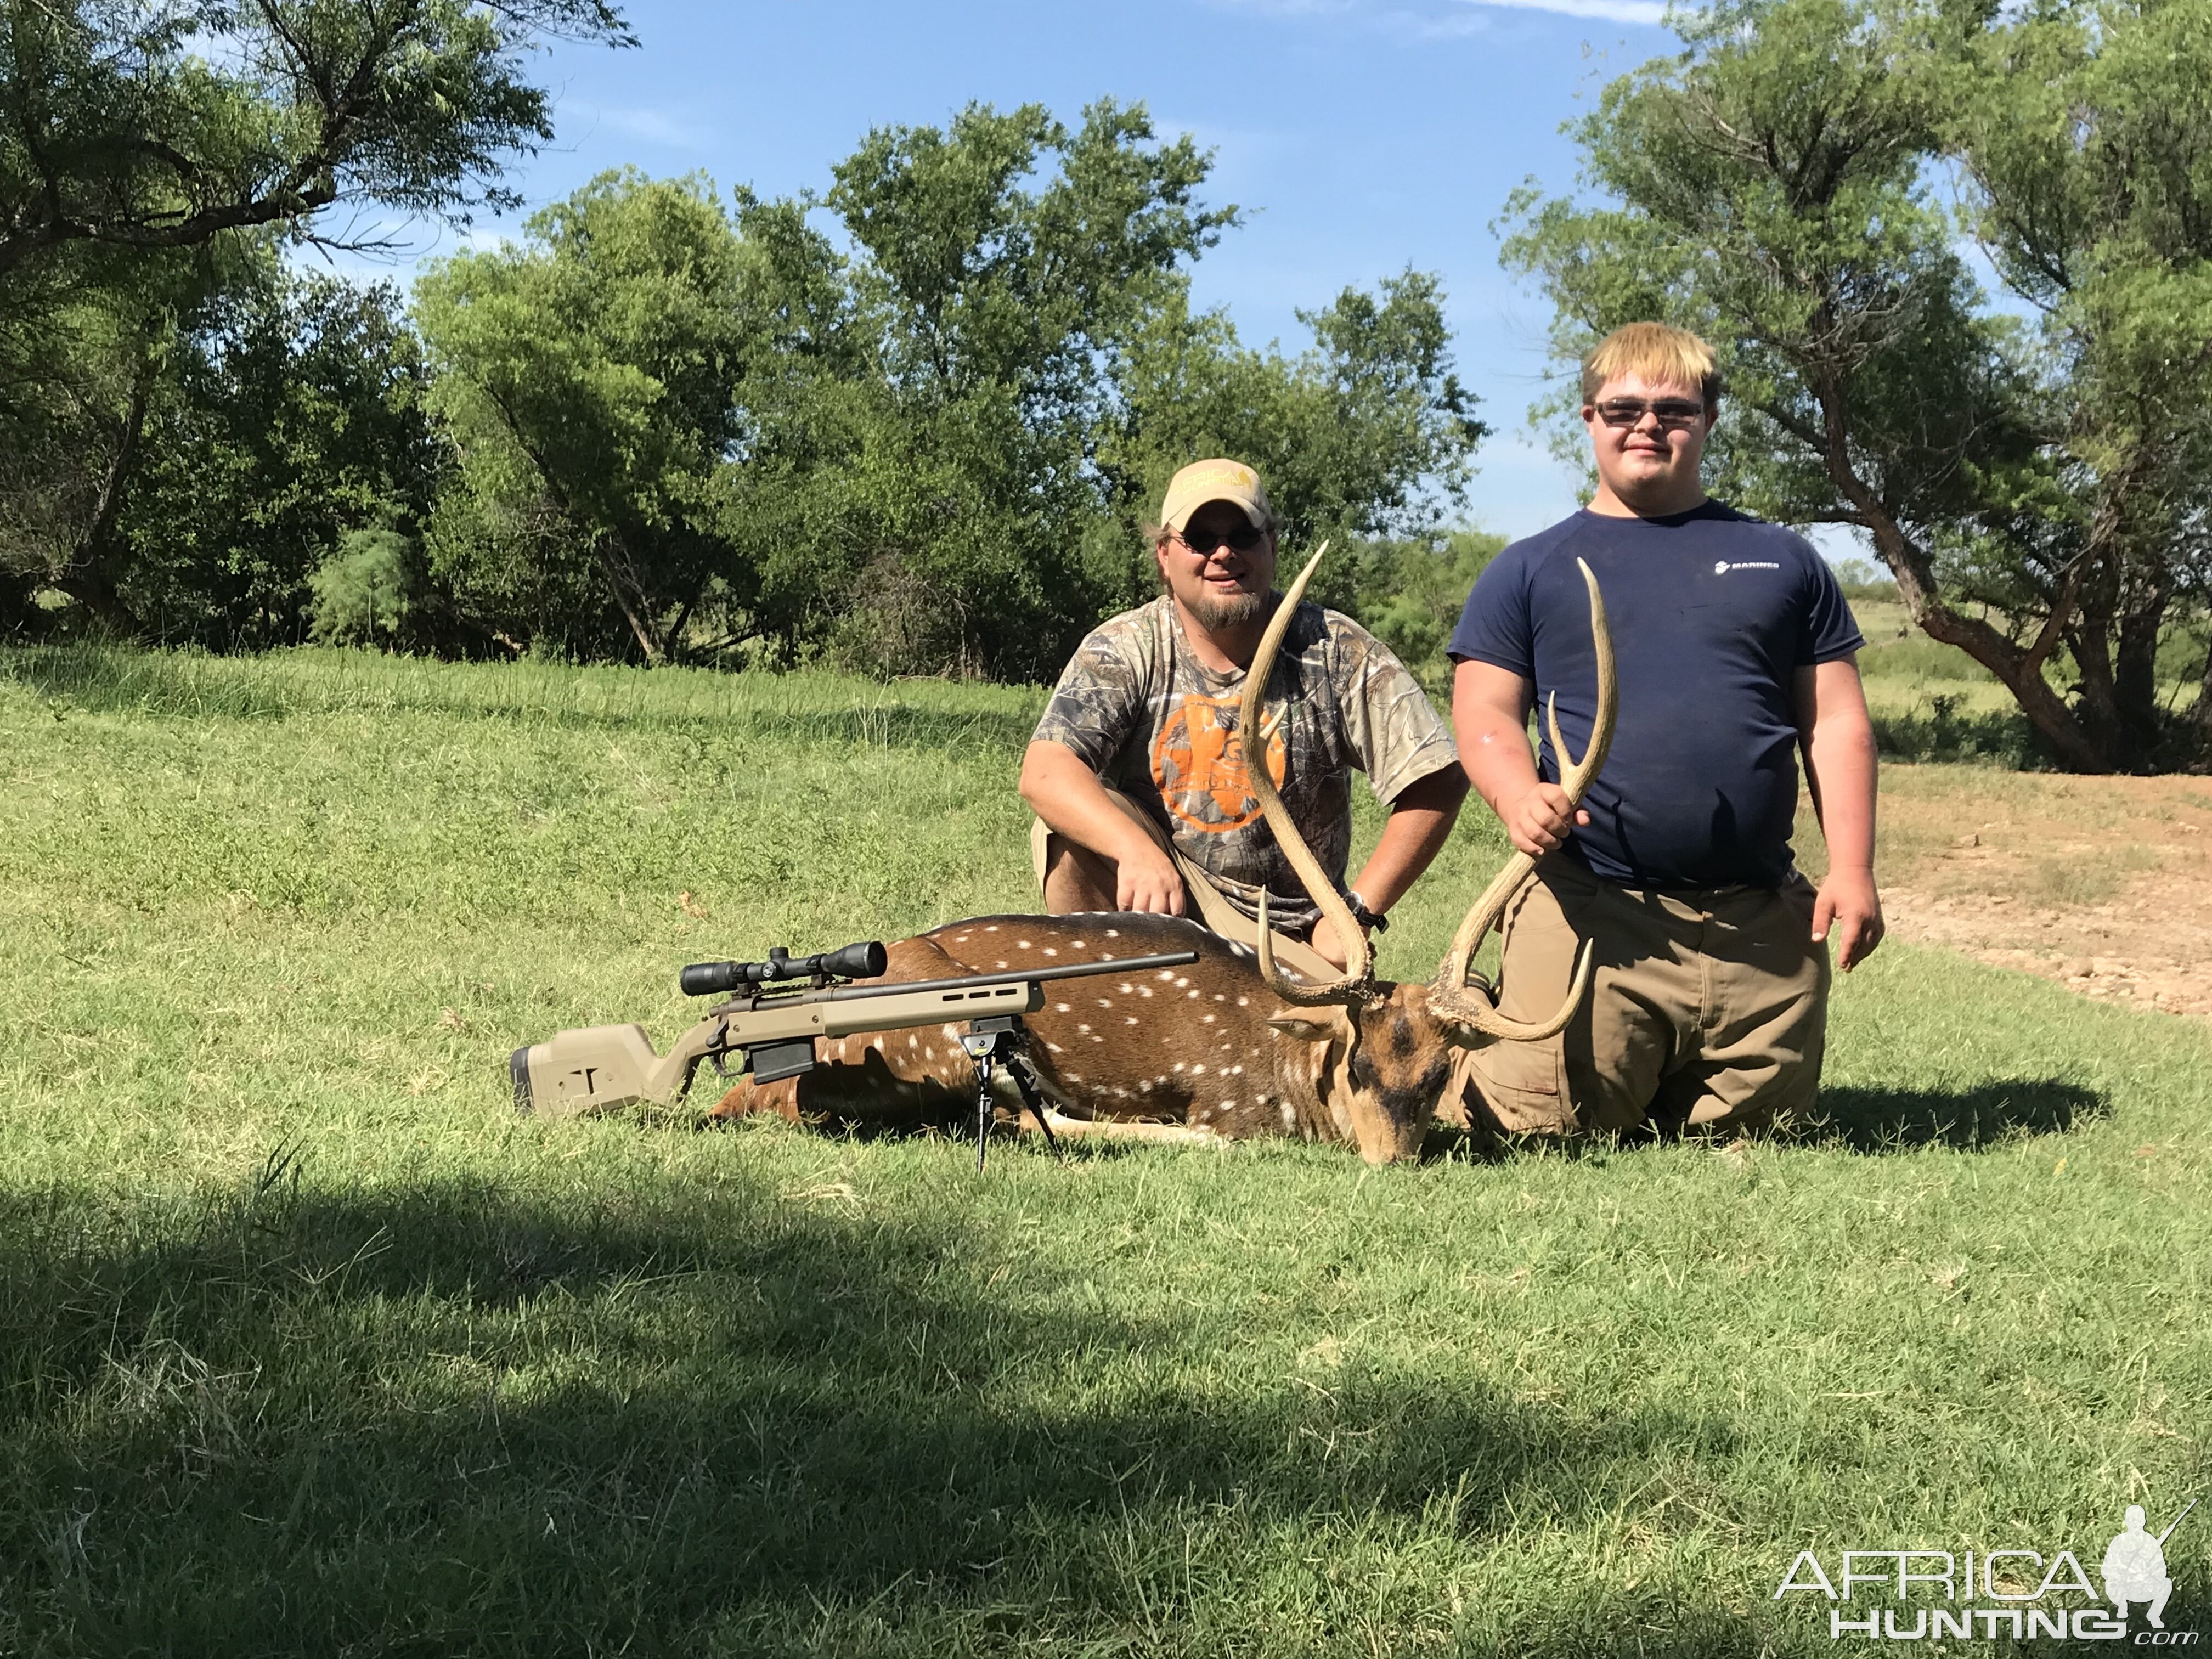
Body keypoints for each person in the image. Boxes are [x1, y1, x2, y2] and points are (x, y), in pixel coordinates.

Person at [1448, 323, 1883, 1136]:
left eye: (1674, 408)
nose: (1647, 424)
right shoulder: (1530, 568)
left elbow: (1836, 726)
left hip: (1756, 922)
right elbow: (1483, 711)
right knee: (1534, 1130)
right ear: (1588, 419)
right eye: (1623, 407)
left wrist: (1852, 870)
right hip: (1592, 907)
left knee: (1762, 1137)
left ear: (1710, 420)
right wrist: (1516, 794)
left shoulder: (1782, 561)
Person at [1020, 458, 1468, 974]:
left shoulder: (1333, 648)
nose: (1223, 553)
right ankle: (1106, 1005)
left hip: (1292, 936)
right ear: (1165, 555)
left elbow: (1438, 777)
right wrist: (1134, 851)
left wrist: (1357, 912)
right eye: (1200, 539)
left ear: (1272, 547)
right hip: (1168, 907)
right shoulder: (1127, 648)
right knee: (1060, 832)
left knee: (1339, 1045)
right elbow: (1046, 770)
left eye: (1242, 535)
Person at [2103, 1505, 2174, 1629]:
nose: (2135, 1524)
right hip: (2124, 1586)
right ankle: (2122, 1607)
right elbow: (2107, 1568)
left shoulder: (2150, 1542)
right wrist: (2123, 1574)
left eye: (2138, 1520)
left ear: (2144, 1522)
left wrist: (2148, 1575)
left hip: (2145, 1586)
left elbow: (2161, 1568)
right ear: (2126, 1522)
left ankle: (2154, 1615)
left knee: (2166, 1584)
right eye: (2132, 1520)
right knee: (2111, 1584)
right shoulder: (2118, 1541)